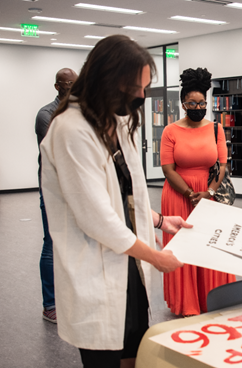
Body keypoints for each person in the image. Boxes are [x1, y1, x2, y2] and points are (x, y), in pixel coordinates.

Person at [40, 35, 189, 368]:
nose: (140, 96)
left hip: (128, 266)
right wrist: (155, 256)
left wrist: (161, 221)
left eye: (145, 88)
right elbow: (97, 218)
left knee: (133, 353)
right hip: (97, 268)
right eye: (135, 87)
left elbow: (125, 196)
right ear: (108, 79)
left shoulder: (117, 122)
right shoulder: (71, 130)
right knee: (104, 356)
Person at [160, 67, 235, 316]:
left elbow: (222, 165)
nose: (197, 106)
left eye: (202, 102)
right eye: (192, 103)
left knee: (211, 245)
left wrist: (209, 193)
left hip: (208, 194)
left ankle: (212, 298)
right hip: (178, 194)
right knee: (184, 247)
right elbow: (168, 169)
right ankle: (187, 303)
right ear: (183, 104)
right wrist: (190, 194)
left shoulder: (216, 128)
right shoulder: (170, 131)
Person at [35, 67, 78, 323]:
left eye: (75, 82)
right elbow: (59, 151)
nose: (71, 87)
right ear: (57, 86)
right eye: (66, 83)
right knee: (51, 245)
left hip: (76, 188)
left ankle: (69, 299)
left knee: (74, 244)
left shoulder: (78, 113)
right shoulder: (46, 115)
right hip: (53, 190)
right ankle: (50, 304)